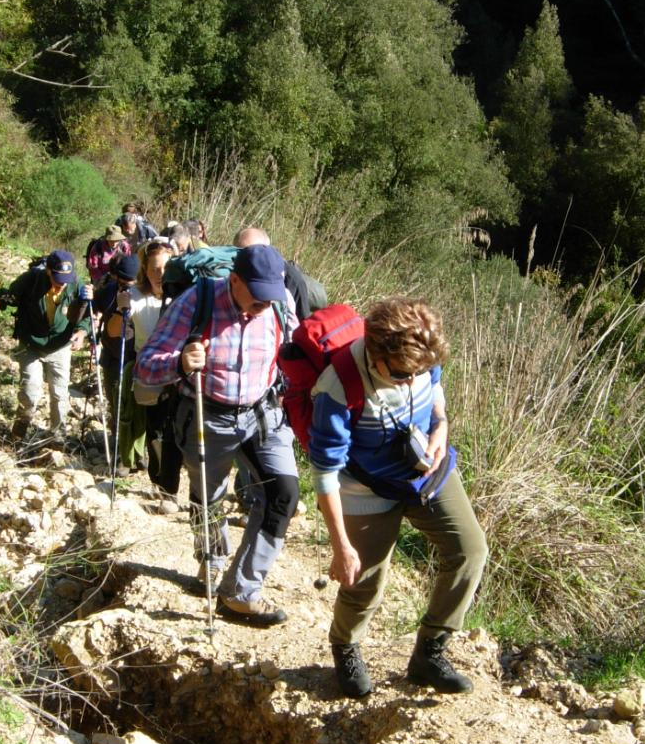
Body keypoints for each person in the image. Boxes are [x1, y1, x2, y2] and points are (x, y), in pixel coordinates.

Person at [308, 297, 487, 698]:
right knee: (363, 581)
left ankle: (430, 653)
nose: (412, 380)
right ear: (376, 355)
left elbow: (435, 391)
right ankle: (346, 646)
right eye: (403, 375)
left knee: (470, 550)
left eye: (418, 372)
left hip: (425, 473)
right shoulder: (338, 388)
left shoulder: (421, 356)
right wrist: (341, 547)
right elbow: (324, 474)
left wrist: (441, 426)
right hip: (364, 488)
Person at [137, 244, 298, 627]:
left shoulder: (278, 302)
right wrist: (179, 362)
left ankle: (241, 591)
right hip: (207, 416)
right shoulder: (198, 300)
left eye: (270, 296)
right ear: (235, 280)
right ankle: (210, 565)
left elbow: (293, 350)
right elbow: (146, 366)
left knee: (284, 494)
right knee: (208, 499)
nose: (264, 304)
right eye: (257, 295)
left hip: (263, 414)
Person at [0, 250, 92, 447]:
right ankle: (19, 433)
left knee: (59, 393)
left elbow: (88, 314)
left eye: (65, 278)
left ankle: (58, 437)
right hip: (31, 344)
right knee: (30, 392)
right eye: (57, 278)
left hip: (60, 346)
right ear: (48, 271)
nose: (62, 283)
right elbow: (8, 297)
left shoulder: (75, 285)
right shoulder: (31, 280)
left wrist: (82, 332)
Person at [128, 239, 180, 493]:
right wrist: (119, 310)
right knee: (157, 430)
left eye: (165, 269)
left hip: (182, 373)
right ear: (144, 270)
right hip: (152, 372)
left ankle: (176, 482)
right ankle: (163, 485)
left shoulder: (185, 295)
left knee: (179, 430)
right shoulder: (134, 296)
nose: (160, 275)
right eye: (154, 269)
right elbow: (115, 333)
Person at [92, 253, 144, 473]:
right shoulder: (108, 292)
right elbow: (91, 312)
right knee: (118, 404)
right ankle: (121, 454)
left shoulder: (148, 295)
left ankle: (140, 453)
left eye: (132, 284)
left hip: (141, 358)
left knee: (141, 407)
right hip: (114, 358)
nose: (127, 288)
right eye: (123, 283)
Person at [234, 225, 328, 320]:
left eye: (256, 252)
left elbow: (301, 322)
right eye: (241, 252)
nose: (248, 259)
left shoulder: (293, 280)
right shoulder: (226, 271)